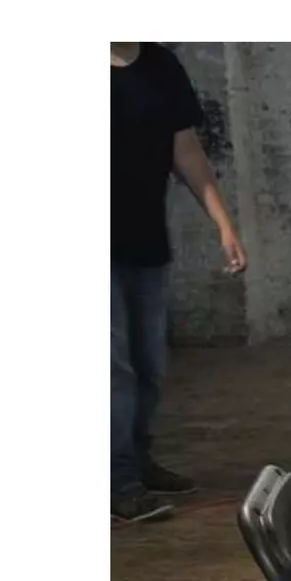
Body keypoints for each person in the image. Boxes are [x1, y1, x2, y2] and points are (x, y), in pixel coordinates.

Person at [111, 42, 246, 523]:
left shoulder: (160, 65)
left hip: (146, 240)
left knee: (149, 365)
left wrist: (224, 225)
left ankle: (136, 458)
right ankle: (117, 480)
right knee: (112, 368)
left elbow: (184, 149)